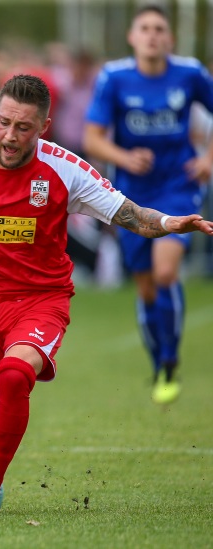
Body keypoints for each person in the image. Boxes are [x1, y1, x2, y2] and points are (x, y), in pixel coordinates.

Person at [0, 74, 213, 519]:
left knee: (14, 374)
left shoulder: (65, 169)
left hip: (39, 301)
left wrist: (167, 224)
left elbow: (128, 213)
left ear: (43, 126)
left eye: (23, 127)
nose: (10, 135)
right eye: (4, 122)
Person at [82, 4, 213, 404]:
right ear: (133, 37)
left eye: (160, 28)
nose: (153, 35)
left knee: (165, 271)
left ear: (169, 38)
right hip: (130, 196)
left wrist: (207, 158)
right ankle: (158, 361)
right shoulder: (114, 77)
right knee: (146, 287)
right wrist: (123, 158)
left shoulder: (190, 73)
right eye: (145, 28)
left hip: (178, 185)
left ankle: (171, 360)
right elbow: (92, 138)